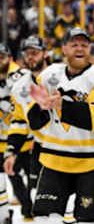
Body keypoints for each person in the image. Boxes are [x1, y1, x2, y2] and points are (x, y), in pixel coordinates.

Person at [24, 28, 94, 223]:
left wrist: (60, 105)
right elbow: (34, 123)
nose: (80, 48)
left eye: (84, 44)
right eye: (74, 44)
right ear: (64, 49)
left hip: (92, 163)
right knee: (43, 219)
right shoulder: (50, 74)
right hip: (54, 160)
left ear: (90, 48)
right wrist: (41, 108)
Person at [4, 36, 48, 221]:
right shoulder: (18, 87)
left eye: (35, 52)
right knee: (36, 199)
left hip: (70, 148)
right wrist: (11, 151)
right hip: (39, 147)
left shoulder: (59, 75)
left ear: (45, 53)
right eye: (27, 53)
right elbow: (19, 122)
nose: (31, 57)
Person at [0, 43, 25, 223]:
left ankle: (29, 210)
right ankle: (5, 215)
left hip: (21, 141)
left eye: (2, 57)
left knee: (20, 183)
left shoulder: (18, 76)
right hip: (2, 140)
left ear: (9, 58)